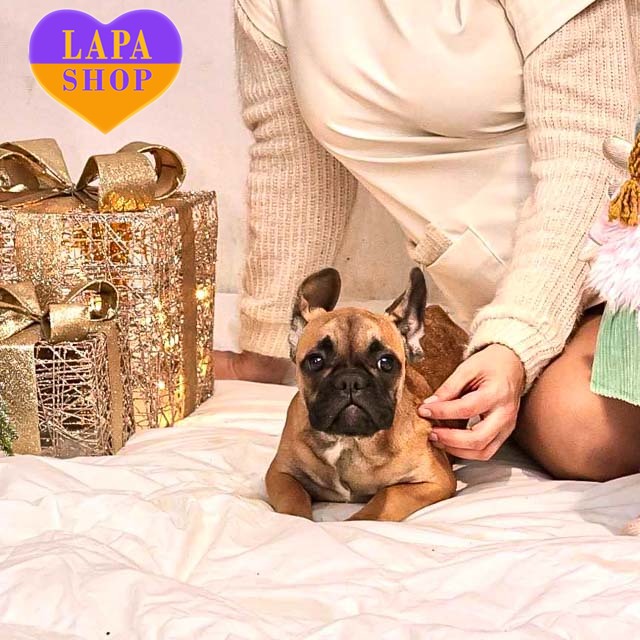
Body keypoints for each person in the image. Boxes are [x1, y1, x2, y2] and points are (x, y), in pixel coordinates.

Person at [217, 0, 640, 481]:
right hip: (481, 297)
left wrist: (514, 343)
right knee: (580, 429)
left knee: (589, 433)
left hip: (611, 267)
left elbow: (592, 158)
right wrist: (271, 340)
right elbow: (294, 160)